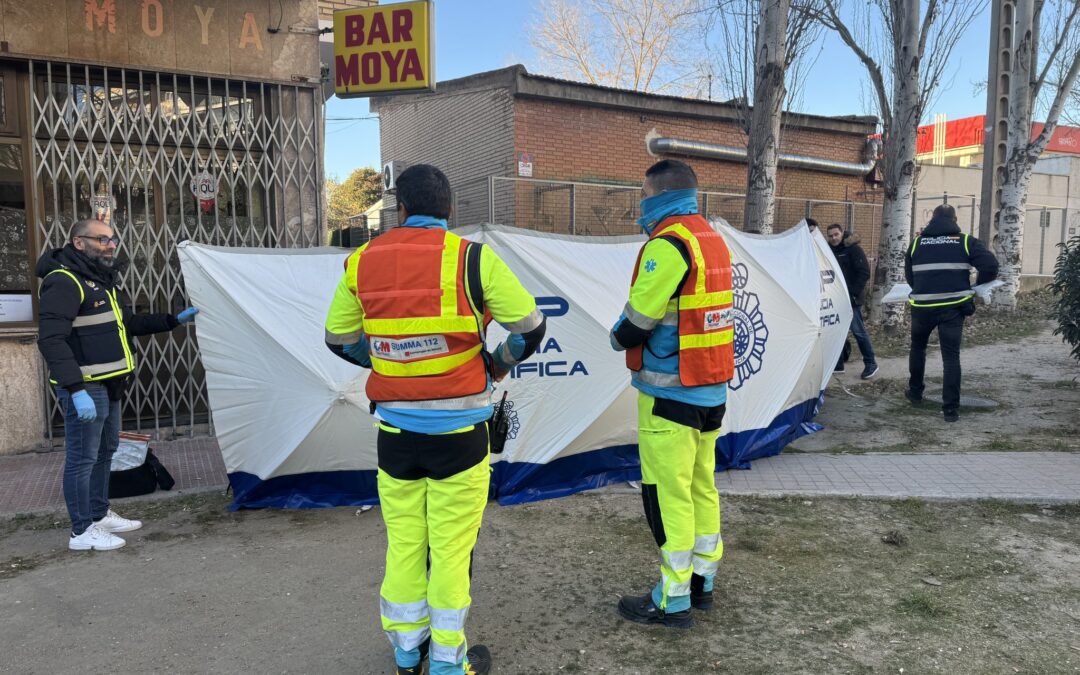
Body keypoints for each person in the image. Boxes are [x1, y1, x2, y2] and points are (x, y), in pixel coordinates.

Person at [323, 164, 546, 675]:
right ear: (451, 211)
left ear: (399, 210)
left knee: (405, 543)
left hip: (396, 436)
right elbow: (530, 328)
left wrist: (381, 363)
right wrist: (496, 363)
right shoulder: (473, 260)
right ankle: (448, 664)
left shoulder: (361, 262)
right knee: (450, 550)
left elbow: (338, 340)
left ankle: (407, 653)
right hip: (462, 437)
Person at [609, 159, 733, 629]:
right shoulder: (711, 239)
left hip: (669, 395)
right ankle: (702, 582)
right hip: (710, 390)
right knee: (702, 486)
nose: (639, 203)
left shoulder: (669, 245)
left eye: (642, 193)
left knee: (667, 495)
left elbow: (638, 320)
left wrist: (617, 339)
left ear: (657, 195)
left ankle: (671, 599)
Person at [36, 218, 199, 551]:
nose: (111, 245)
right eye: (102, 240)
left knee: (105, 452)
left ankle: (98, 513)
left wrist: (171, 320)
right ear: (79, 242)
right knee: (82, 458)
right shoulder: (64, 281)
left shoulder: (100, 279)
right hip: (85, 387)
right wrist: (75, 389)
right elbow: (52, 340)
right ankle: (82, 531)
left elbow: (127, 323)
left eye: (112, 239)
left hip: (110, 385)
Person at [905, 204, 998, 422]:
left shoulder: (916, 243)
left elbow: (910, 278)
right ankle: (950, 410)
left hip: (922, 308)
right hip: (952, 309)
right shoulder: (965, 241)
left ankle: (915, 393)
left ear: (931, 220)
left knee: (918, 348)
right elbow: (991, 265)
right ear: (954, 220)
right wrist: (977, 286)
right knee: (951, 357)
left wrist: (925, 290)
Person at [825, 223, 878, 379]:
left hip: (852, 299)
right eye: (830, 235)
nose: (833, 238)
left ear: (842, 233)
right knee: (836, 331)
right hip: (835, 299)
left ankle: (871, 363)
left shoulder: (853, 250)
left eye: (836, 234)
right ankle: (838, 363)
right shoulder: (828, 251)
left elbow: (864, 272)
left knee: (858, 331)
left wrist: (853, 293)